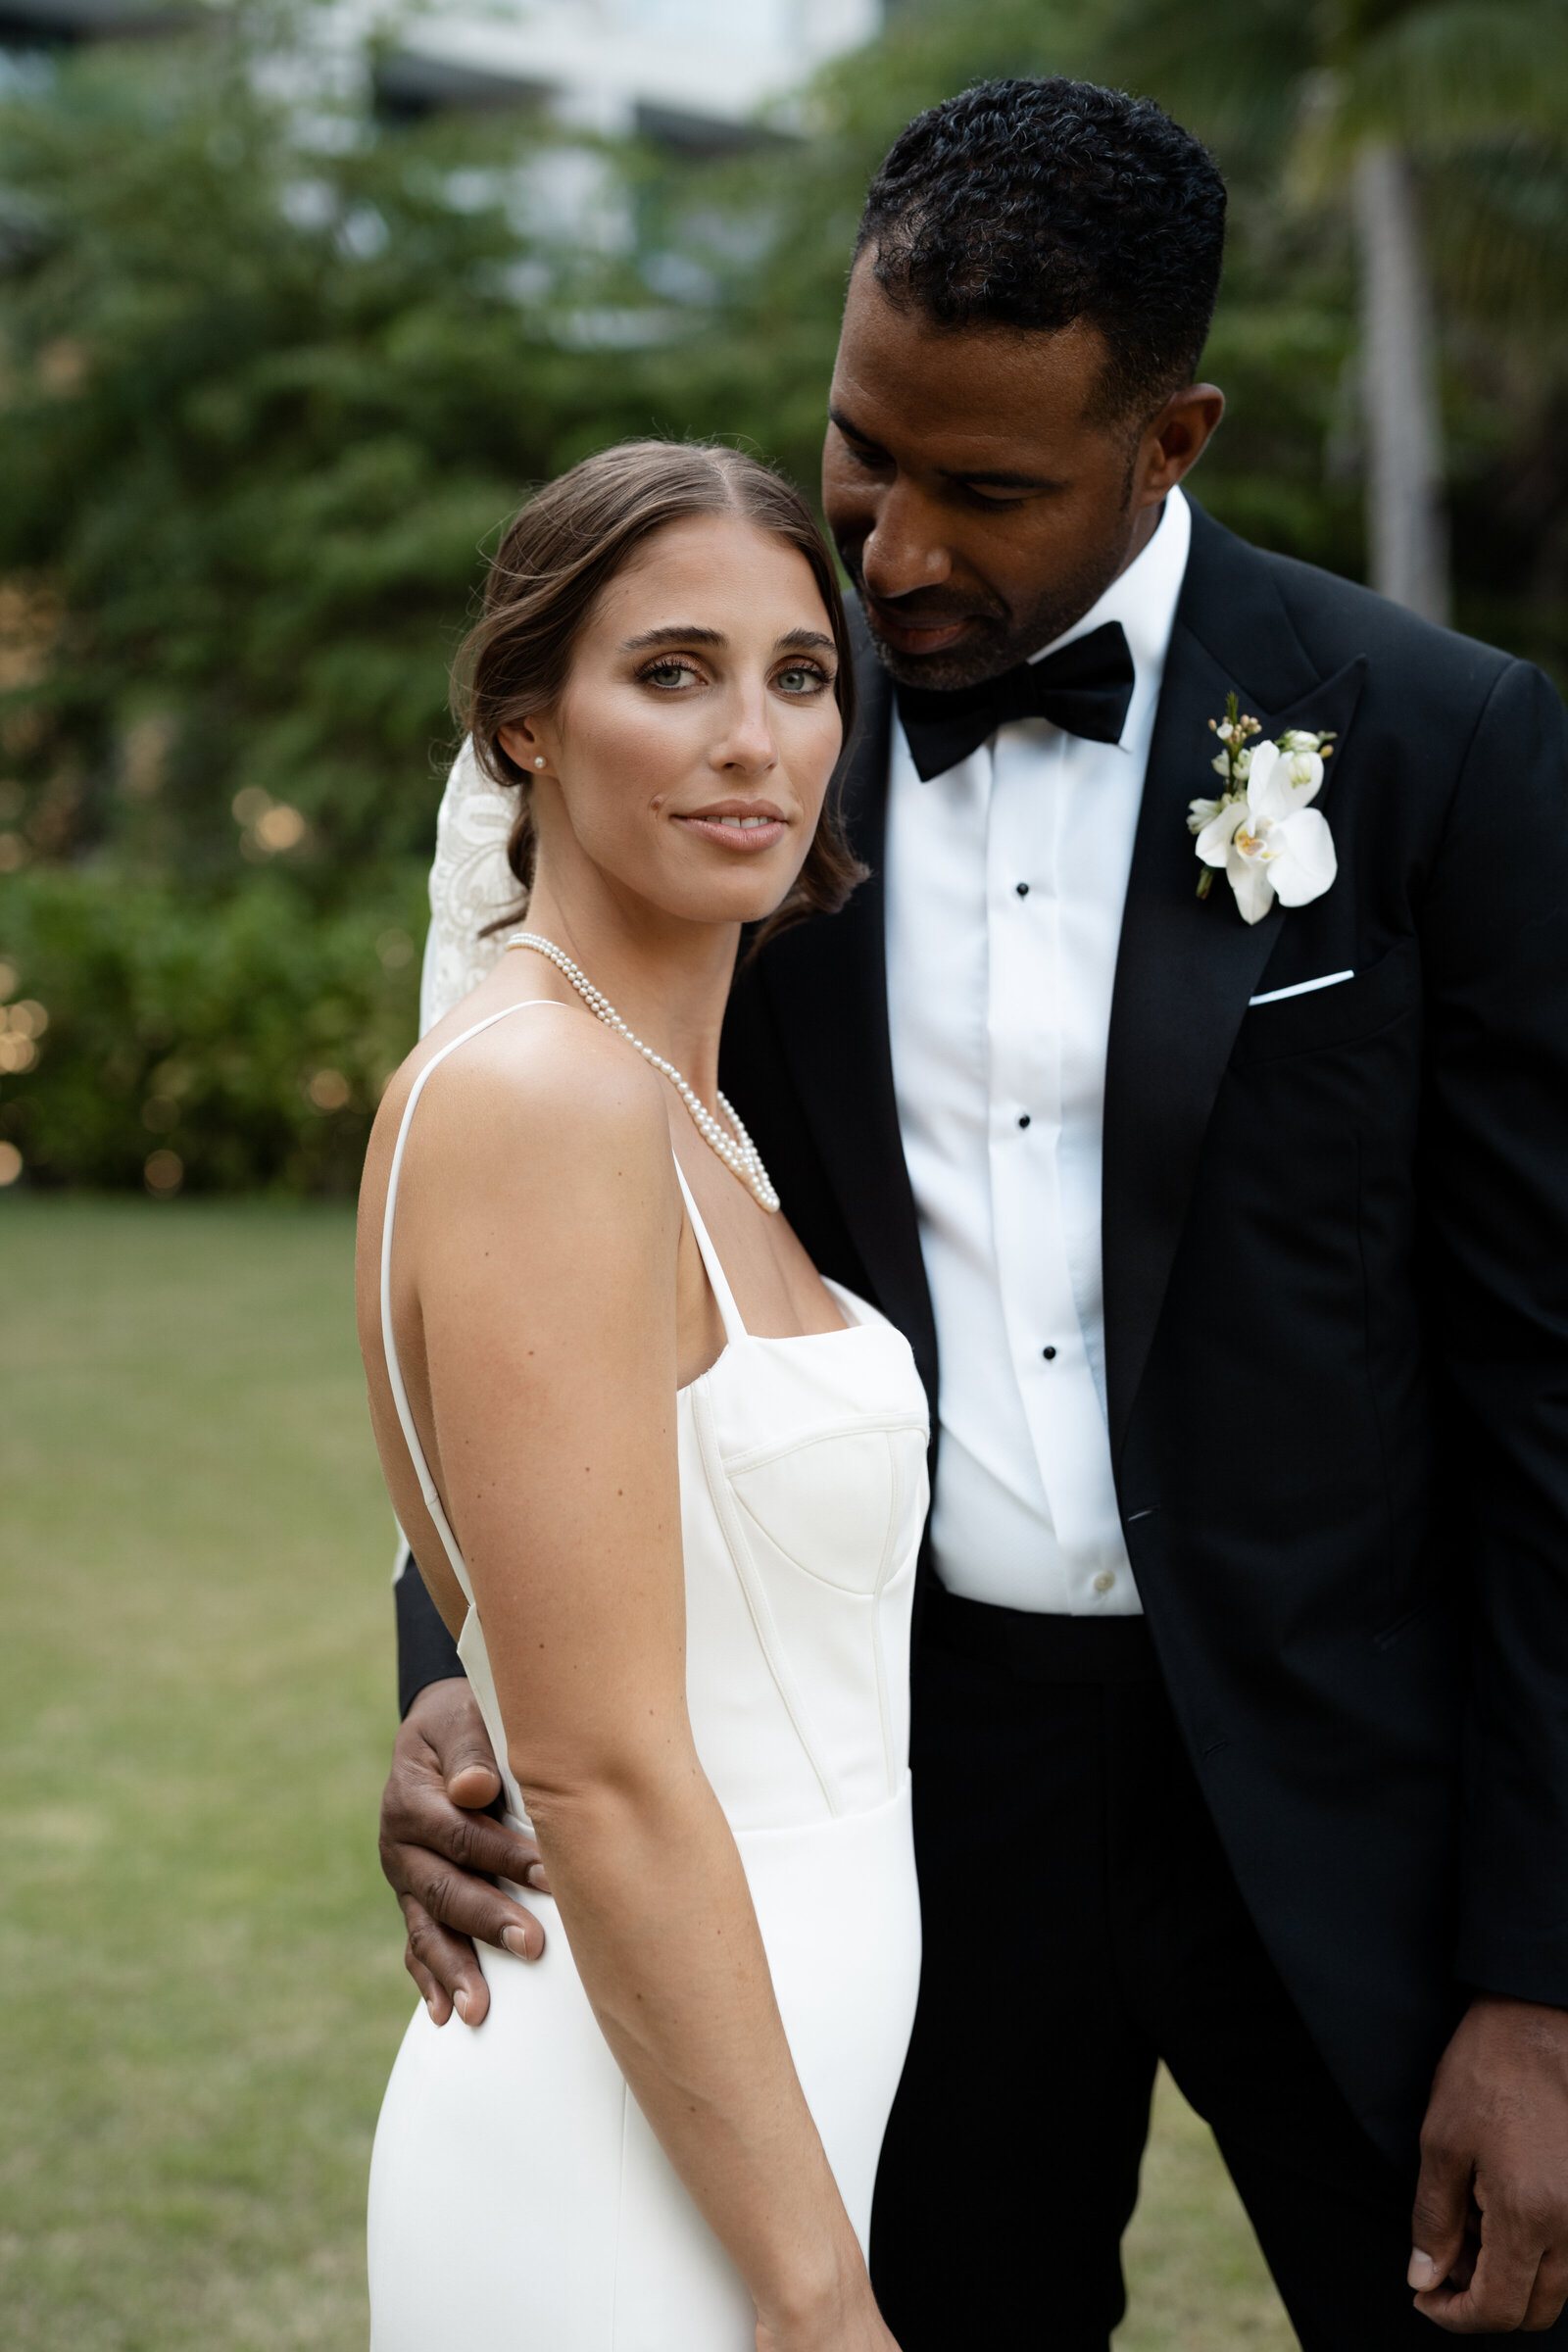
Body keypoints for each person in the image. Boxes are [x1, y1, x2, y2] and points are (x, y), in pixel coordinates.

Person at [384, 78, 1568, 2349]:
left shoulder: (1432, 744)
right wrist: (457, 1678)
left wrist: (1541, 1981)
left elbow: (1539, 1386)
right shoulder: (752, 749)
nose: (895, 551)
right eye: (860, 449)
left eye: (985, 487)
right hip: (902, 1790)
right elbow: (551, 1249)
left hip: (1351, 1806)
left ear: (1170, 437)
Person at [357, 438, 928, 2351]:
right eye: (668, 672)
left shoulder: (683, 1107)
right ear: (524, 720)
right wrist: (815, 2293)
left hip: (760, 2102)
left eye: (797, 674)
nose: (749, 738)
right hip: (624, 2160)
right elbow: (595, 1766)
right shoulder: (541, 1100)